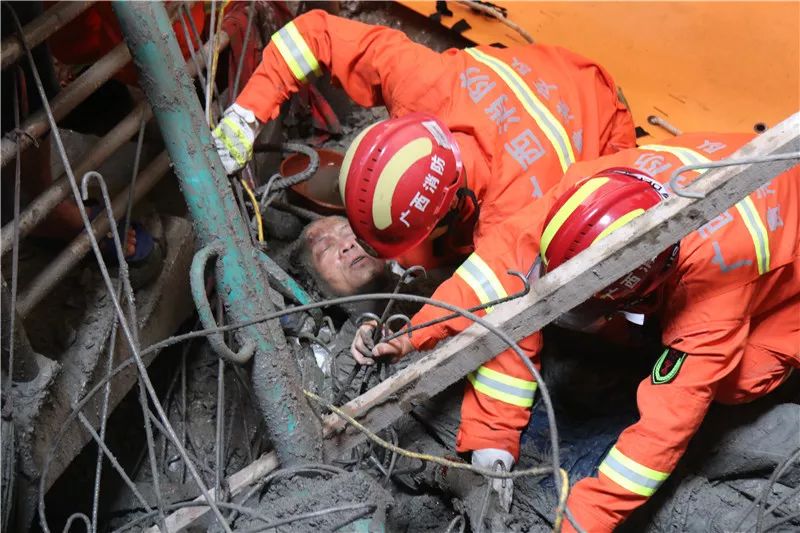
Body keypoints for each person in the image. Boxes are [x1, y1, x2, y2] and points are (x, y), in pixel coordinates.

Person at [351, 132, 799, 530]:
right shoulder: (589, 197)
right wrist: (411, 335)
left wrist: (580, 522)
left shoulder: (716, 297)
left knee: (739, 380)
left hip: (784, 264)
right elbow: (494, 275)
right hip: (736, 196)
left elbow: (663, 431)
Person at [212, 9, 635, 270]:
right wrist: (245, 116)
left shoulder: (512, 215)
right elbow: (313, 35)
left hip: (602, 125)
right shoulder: (422, 83)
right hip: (553, 71)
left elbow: (497, 307)